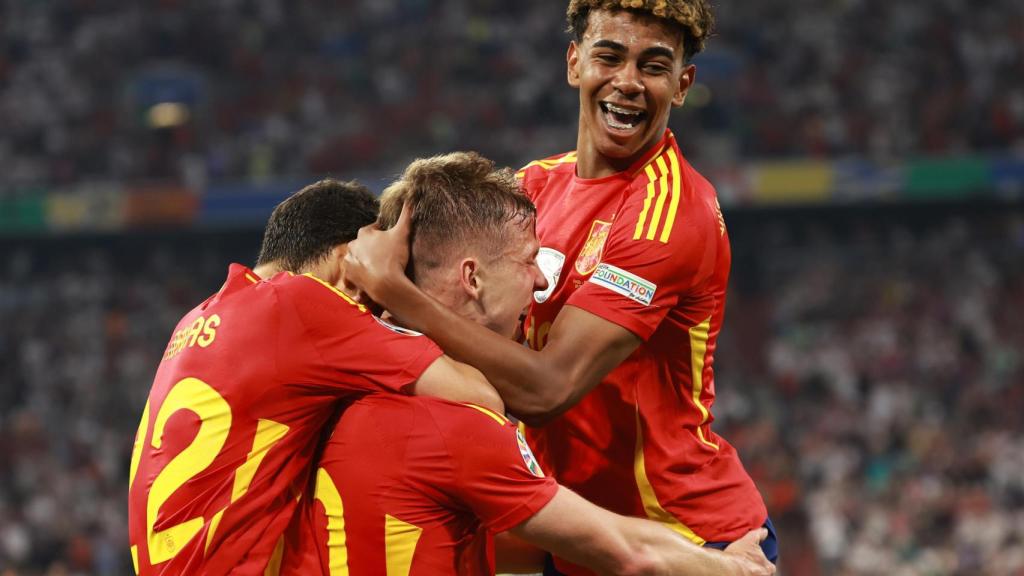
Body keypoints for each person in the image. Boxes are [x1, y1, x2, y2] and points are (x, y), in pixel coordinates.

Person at [342, 2, 775, 574]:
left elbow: (548, 390)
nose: (627, 82)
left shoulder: (668, 213)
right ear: (575, 63)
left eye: (653, 66)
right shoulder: (532, 186)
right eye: (609, 56)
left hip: (686, 541)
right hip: (584, 539)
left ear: (682, 84)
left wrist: (399, 296)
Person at [282, 152, 773, 576]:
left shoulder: (342, 384)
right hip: (689, 544)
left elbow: (467, 529)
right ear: (472, 277)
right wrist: (732, 568)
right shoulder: (459, 420)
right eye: (529, 260)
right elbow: (629, 556)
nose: (542, 283)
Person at [127, 179, 500, 575]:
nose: (370, 308)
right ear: (347, 260)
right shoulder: (302, 303)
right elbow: (480, 399)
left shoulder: (197, 317)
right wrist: (394, 290)